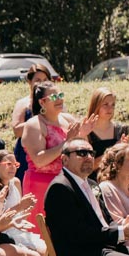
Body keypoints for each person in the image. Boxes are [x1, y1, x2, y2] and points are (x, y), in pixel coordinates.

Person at [21, 81, 95, 229]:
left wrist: (83, 134)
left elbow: (79, 149)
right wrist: (66, 142)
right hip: (41, 185)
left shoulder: (68, 119)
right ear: (42, 102)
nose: (60, 99)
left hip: (67, 182)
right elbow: (39, 160)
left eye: (61, 95)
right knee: (42, 232)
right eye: (54, 97)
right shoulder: (34, 124)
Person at [10, 64, 51, 182]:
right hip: (26, 153)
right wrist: (41, 121)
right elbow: (17, 130)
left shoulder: (56, 102)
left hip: (51, 150)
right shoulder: (23, 103)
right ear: (29, 82)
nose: (42, 83)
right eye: (37, 80)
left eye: (45, 80)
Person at [86, 87, 129, 166]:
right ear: (96, 105)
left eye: (113, 105)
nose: (110, 108)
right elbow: (87, 167)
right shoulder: (86, 131)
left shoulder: (121, 130)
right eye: (105, 104)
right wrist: (113, 150)